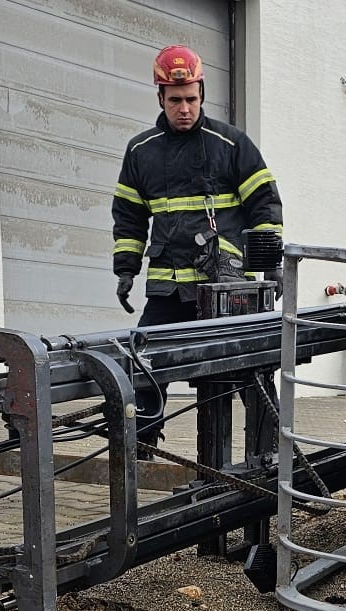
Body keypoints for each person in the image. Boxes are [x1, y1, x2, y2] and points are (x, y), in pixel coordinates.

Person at [112, 44, 283, 457]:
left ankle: (273, 449)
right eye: (175, 100)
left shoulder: (231, 144)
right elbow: (129, 216)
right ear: (160, 99)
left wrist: (270, 265)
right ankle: (141, 448)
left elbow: (265, 204)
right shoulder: (141, 152)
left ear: (202, 93)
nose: (184, 108)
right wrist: (126, 269)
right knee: (144, 363)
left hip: (225, 288)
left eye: (191, 98)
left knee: (249, 366)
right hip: (169, 289)